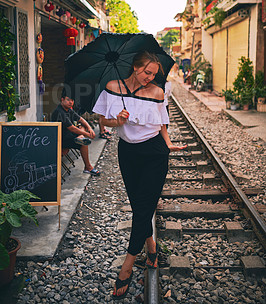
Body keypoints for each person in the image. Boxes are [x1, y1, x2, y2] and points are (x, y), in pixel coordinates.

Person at [92, 51, 187, 299]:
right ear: (135, 67)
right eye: (147, 72)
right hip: (128, 154)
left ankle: (127, 266)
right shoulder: (113, 88)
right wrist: (117, 121)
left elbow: (161, 122)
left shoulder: (157, 92)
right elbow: (102, 121)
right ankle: (151, 247)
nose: (150, 78)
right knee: (139, 207)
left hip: (154, 152)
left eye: (154, 74)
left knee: (144, 208)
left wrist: (168, 144)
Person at [51, 89, 100, 175]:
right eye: (68, 100)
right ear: (62, 100)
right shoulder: (59, 112)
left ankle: (80, 137)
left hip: (68, 135)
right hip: (60, 139)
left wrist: (90, 128)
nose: (71, 102)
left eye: (72, 100)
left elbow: (81, 119)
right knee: (83, 143)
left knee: (82, 126)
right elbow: (72, 128)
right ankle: (88, 167)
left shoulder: (68, 109)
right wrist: (87, 134)